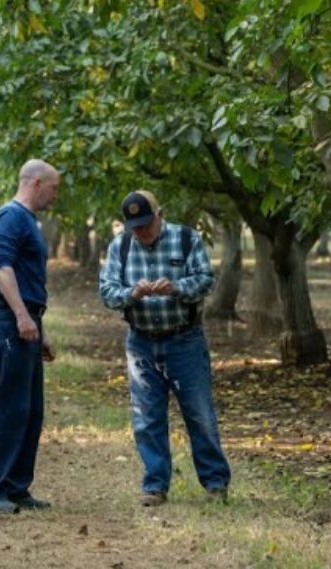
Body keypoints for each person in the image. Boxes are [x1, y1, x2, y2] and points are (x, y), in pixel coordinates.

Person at [98, 190, 231, 507]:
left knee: (199, 414)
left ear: (160, 215)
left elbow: (205, 279)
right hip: (141, 342)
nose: (142, 232)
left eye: (146, 225)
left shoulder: (187, 239)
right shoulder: (121, 245)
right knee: (147, 417)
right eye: (136, 227)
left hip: (184, 340)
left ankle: (215, 484)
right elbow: (107, 291)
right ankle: (155, 485)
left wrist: (176, 288)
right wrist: (132, 294)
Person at [0, 159, 61, 514]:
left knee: (30, 411)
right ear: (37, 182)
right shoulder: (10, 217)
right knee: (10, 409)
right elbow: (3, 267)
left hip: (25, 324)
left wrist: (39, 329)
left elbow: (28, 279)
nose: (56, 196)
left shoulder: (28, 220)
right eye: (54, 188)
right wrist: (23, 317)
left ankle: (16, 487)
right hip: (8, 322)